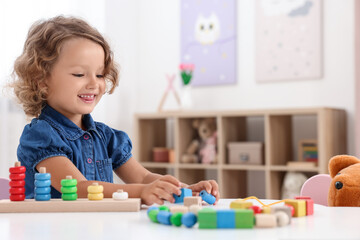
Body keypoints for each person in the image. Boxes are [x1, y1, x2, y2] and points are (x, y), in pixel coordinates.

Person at [9, 16, 219, 205]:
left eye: (100, 75)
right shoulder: (40, 136)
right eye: (80, 74)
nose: (94, 84)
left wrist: (184, 190)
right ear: (42, 82)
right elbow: (79, 189)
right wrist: (142, 192)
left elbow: (143, 178)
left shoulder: (106, 137)